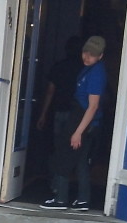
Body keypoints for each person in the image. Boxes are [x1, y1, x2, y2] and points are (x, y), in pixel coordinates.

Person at [41, 36, 107, 211]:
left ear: (100, 56)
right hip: (80, 117)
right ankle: (83, 200)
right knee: (80, 161)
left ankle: (61, 198)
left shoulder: (96, 73)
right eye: (85, 52)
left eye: (92, 54)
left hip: (84, 120)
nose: (87, 56)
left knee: (65, 155)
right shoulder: (90, 69)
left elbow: (92, 107)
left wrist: (78, 132)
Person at [36, 36, 84, 190]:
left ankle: (56, 186)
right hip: (78, 114)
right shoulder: (85, 69)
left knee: (58, 149)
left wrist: (43, 114)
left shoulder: (59, 66)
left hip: (59, 112)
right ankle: (71, 187)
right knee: (76, 152)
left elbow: (50, 91)